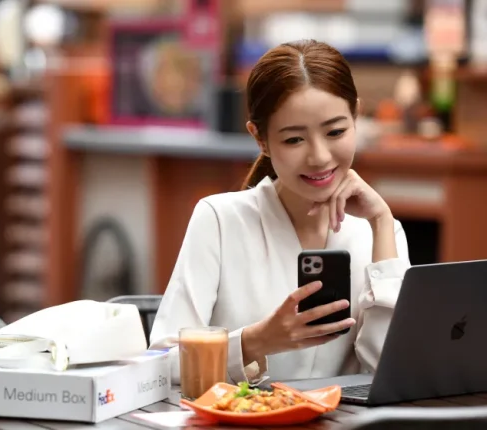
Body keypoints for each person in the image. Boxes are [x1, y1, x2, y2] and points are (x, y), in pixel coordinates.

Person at [148, 39, 411, 385]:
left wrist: (380, 220)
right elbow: (164, 365)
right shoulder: (219, 220)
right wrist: (257, 341)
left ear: (356, 116)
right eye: (294, 140)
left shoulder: (380, 232)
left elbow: (395, 373)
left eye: (335, 131)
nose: (319, 156)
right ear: (260, 139)